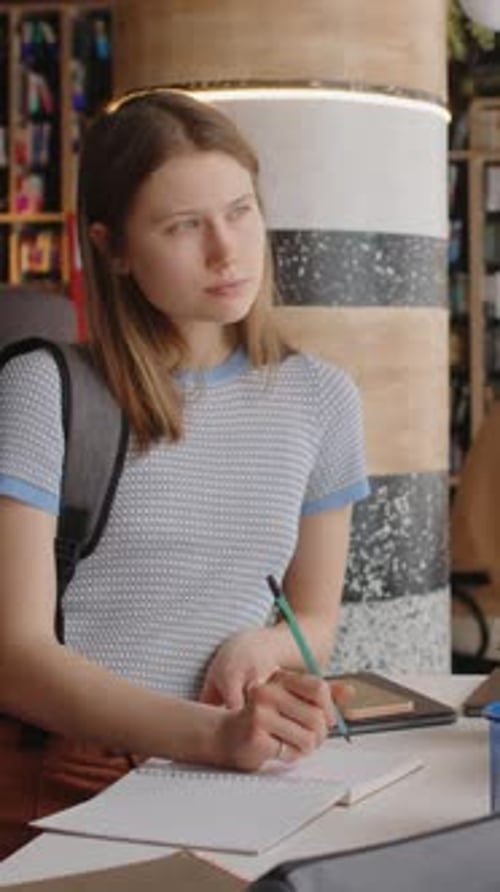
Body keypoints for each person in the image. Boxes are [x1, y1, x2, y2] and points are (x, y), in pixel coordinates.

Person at [0, 89, 369, 858]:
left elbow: (316, 623)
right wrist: (215, 737)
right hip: (72, 774)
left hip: (238, 770)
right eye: (183, 226)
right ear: (113, 247)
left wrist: (261, 652)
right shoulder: (43, 390)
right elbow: (15, 657)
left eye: (239, 211)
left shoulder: (323, 398)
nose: (226, 251)